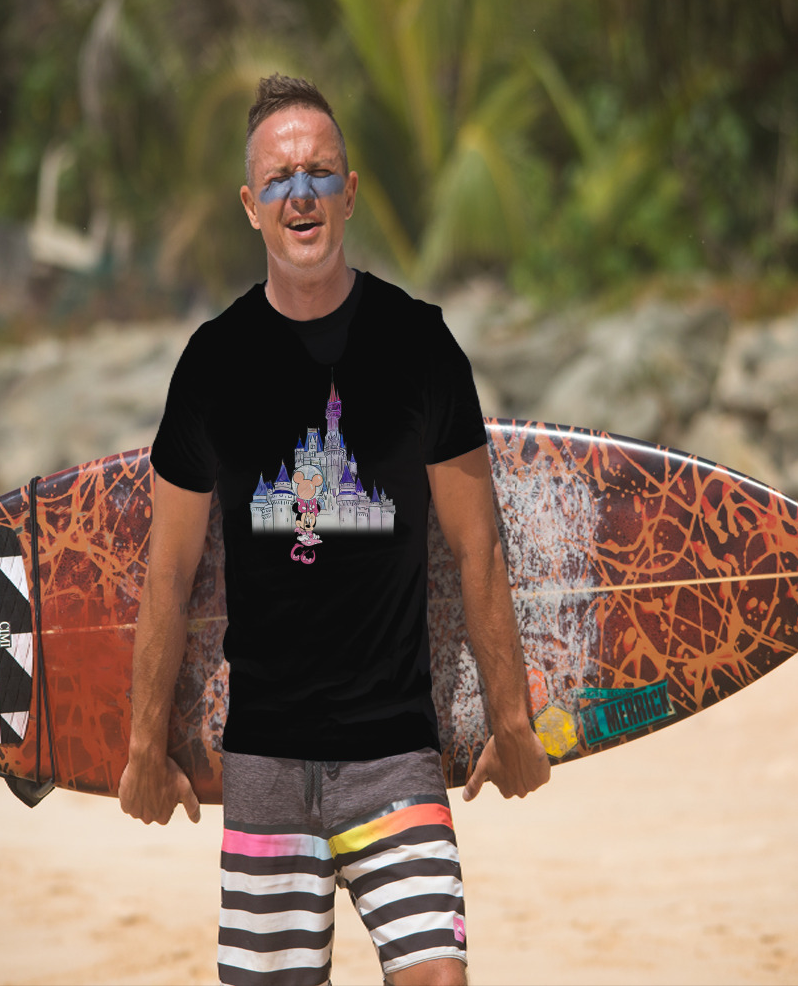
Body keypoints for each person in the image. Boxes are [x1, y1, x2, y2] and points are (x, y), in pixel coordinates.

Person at [119, 73, 550, 986]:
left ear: (350, 192)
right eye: (279, 179)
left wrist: (511, 719)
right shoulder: (211, 364)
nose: (301, 193)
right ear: (250, 205)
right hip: (266, 761)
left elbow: (479, 548)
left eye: (320, 173)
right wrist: (141, 746)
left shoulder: (422, 346)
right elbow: (168, 574)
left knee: (439, 976)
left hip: (395, 753)